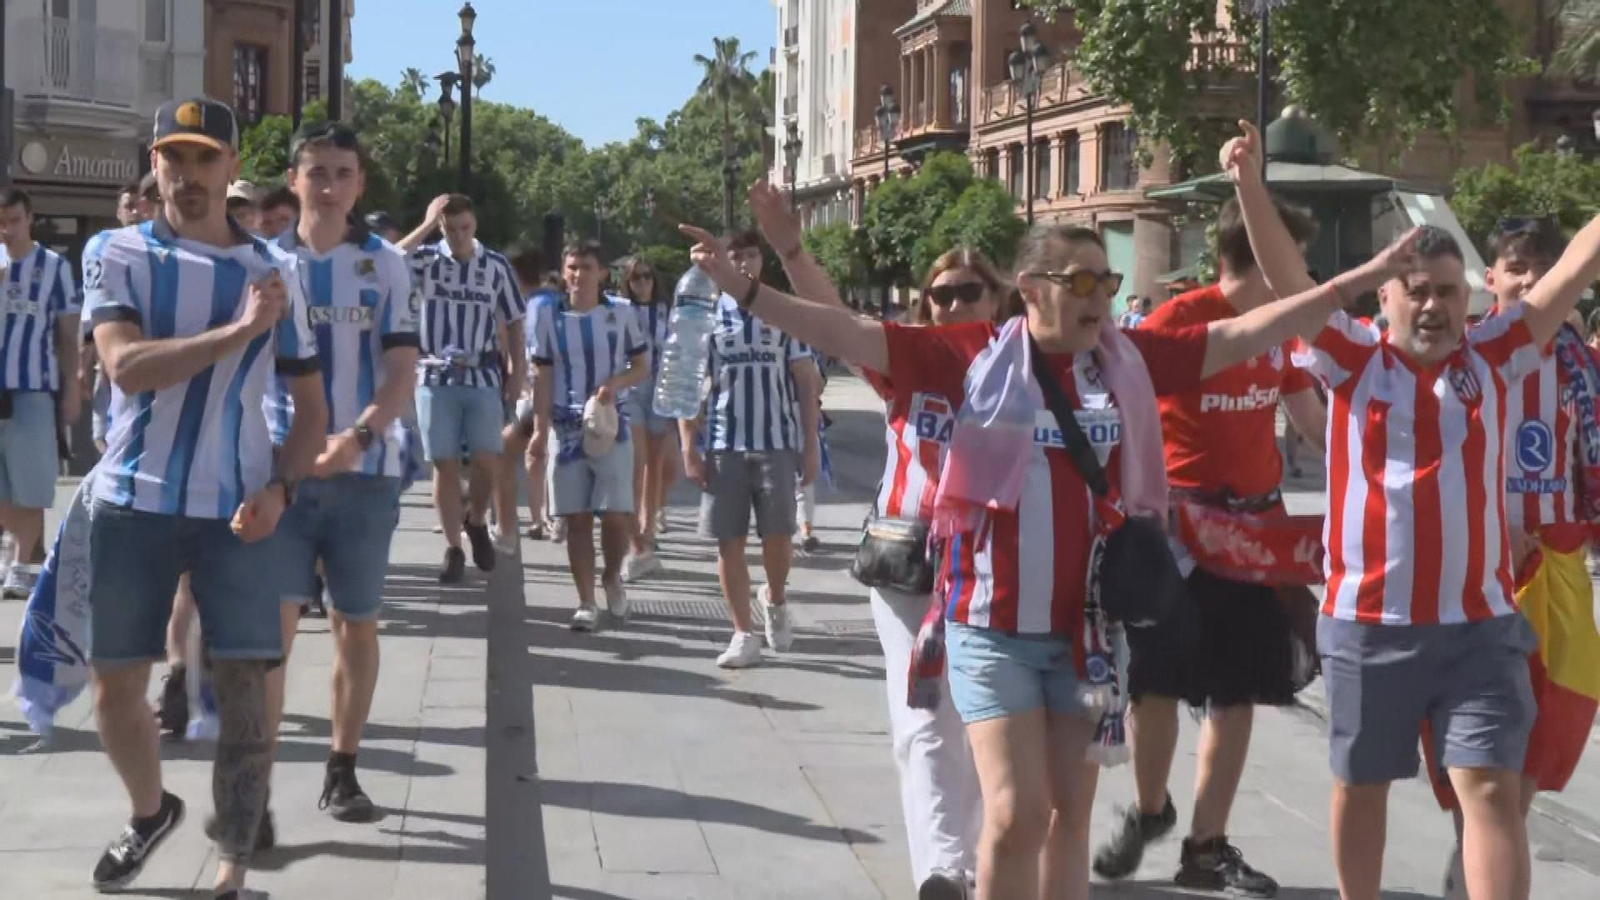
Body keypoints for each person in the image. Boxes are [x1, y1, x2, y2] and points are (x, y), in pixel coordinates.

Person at [681, 197, 1422, 898]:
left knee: (1068, 816)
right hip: (990, 628)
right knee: (1017, 814)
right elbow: (843, 333)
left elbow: (1239, 336)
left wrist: (1351, 285)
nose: (1101, 295)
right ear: (1032, 288)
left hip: (1087, 637)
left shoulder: (1124, 360)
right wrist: (749, 289)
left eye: (1109, 279)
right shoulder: (968, 356)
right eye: (1084, 280)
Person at [1224, 120, 1600, 900]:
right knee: (1362, 788)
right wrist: (1249, 187)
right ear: (1384, 296)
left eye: (1447, 293)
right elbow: (1291, 281)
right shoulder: (1349, 353)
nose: (1432, 307)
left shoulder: (1499, 349)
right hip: (1369, 627)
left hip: (1482, 629)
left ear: (1471, 298)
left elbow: (1570, 272)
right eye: (1416, 292)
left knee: (1493, 791)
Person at [82, 97, 327, 898]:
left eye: (205, 160)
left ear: (231, 168)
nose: (187, 177)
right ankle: (151, 811)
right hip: (132, 501)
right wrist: (237, 332)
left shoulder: (279, 271)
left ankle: (231, 872)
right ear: (154, 165)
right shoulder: (116, 251)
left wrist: (283, 490)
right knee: (116, 686)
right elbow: (126, 367)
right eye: (172, 159)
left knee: (246, 690)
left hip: (236, 510)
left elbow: (312, 409)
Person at [1094, 182, 1325, 896]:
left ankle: (1206, 844)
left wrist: (1375, 468)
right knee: (1157, 683)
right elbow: (1121, 410)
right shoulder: (1180, 321)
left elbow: (1315, 421)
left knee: (1239, 691)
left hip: (1254, 535)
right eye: (1292, 258)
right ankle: (1153, 807)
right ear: (1259, 252)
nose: (1301, 274)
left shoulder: (1280, 332)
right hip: (1178, 532)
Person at [1417, 216, 1600, 899]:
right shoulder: (1464, 357)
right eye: (1514, 266)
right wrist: (1491, 525)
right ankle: (1479, 861)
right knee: (1488, 750)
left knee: (1535, 751)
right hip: (1481, 581)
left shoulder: (1583, 364)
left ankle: (1481, 860)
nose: (1527, 280)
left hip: (1557, 576)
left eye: (1541, 268)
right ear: (1487, 278)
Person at [264, 121, 420, 828]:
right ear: (294, 180)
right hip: (279, 474)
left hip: (365, 473)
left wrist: (359, 436)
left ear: (360, 185)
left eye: (342, 173)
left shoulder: (386, 263)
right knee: (269, 632)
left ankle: (343, 768)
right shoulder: (262, 264)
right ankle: (252, 787)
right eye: (315, 172)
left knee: (356, 624)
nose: (327, 187)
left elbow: (400, 369)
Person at [679, 229, 822, 668]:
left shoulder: (781, 313)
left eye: (749, 255)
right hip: (723, 441)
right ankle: (743, 631)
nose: (741, 263)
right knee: (729, 541)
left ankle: (775, 599)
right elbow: (686, 380)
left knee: (778, 536)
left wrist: (810, 442)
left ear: (762, 262)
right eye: (733, 255)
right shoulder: (705, 313)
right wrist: (689, 444)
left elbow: (804, 379)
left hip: (776, 440)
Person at [400, 194, 524, 582]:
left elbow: (516, 319)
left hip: (482, 373)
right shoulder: (426, 260)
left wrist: (517, 369)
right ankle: (453, 547)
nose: (457, 236)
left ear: (476, 226)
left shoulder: (495, 266)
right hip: (435, 374)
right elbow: (386, 261)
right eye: (450, 229)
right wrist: (424, 225)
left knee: (489, 458)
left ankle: (477, 519)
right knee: (445, 462)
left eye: (465, 228)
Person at [528, 240, 648, 630]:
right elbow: (542, 375)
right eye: (572, 267)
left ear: (602, 273)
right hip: (566, 428)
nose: (578, 275)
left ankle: (612, 574)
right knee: (577, 519)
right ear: (563, 273)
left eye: (586, 267)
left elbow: (643, 364)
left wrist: (617, 382)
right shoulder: (549, 317)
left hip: (611, 424)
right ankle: (585, 601)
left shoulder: (622, 313)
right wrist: (538, 430)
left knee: (615, 515)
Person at [0, 187, 81, 599]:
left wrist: (71, 388)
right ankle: (11, 552)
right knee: (3, 485)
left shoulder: (52, 266)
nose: (7, 230)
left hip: (32, 386)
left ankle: (21, 564)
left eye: (14, 220)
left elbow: (68, 334)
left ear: (28, 219)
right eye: (1, 222)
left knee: (30, 482)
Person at [617, 254, 677, 580]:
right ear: (627, 282)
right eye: (636, 278)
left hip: (660, 389)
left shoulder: (666, 311)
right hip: (632, 387)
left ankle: (648, 524)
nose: (642, 283)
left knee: (659, 465)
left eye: (647, 276)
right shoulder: (619, 309)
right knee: (636, 462)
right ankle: (634, 534)